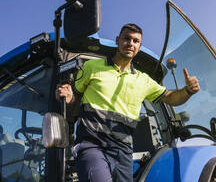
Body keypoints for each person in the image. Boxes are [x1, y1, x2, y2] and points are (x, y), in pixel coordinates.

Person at [57, 23, 200, 182]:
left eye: (135, 41)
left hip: (122, 149)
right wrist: (70, 98)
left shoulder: (144, 80)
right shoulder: (91, 67)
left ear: (139, 46)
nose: (130, 43)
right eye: (127, 39)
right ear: (118, 40)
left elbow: (172, 97)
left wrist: (188, 91)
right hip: (92, 143)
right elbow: (76, 97)